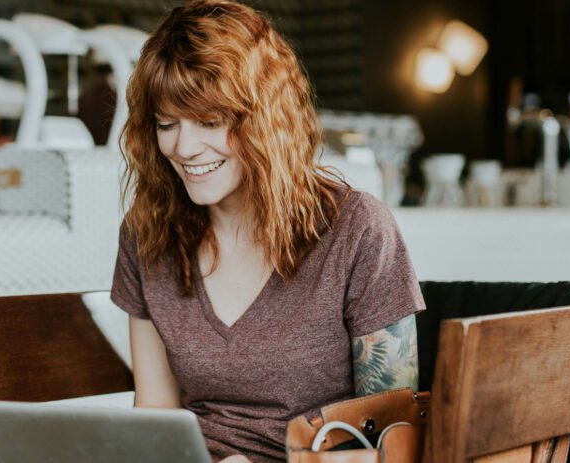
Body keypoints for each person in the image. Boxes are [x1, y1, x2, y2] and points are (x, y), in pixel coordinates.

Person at [110, 2, 426, 462]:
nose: (183, 147)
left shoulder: (357, 230)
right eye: (167, 123)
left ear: (264, 119)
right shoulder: (147, 235)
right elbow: (155, 418)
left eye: (210, 121)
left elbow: (397, 444)